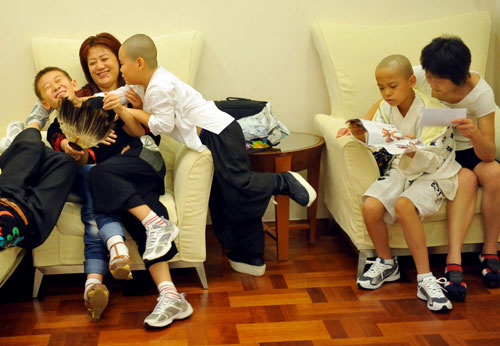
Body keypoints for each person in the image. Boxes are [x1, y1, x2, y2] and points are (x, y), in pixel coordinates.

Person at [101, 33, 317, 277]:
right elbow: (117, 94)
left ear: (139, 63)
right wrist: (82, 100)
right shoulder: (145, 84)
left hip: (220, 132)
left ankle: (283, 180)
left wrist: (133, 111)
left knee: (240, 183)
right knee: (227, 196)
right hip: (210, 136)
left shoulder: (159, 87)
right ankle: (245, 254)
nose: (120, 70)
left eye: (122, 63)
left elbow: (161, 124)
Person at [353, 55, 460, 312]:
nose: (386, 93)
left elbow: (434, 160)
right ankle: (387, 263)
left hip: (435, 172)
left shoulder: (435, 112)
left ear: (411, 81)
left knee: (403, 205)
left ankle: (426, 278)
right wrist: (362, 135)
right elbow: (380, 141)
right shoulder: (385, 108)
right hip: (403, 167)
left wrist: (412, 150)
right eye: (381, 88)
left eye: (392, 86)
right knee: (370, 206)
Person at [415, 36, 500, 300]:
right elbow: (385, 101)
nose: (431, 84)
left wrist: (473, 133)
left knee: (495, 174)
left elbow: (489, 153)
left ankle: (490, 251)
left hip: (470, 149)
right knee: (465, 181)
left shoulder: (481, 94)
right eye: (429, 77)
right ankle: (454, 259)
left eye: (438, 81)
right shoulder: (421, 75)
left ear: (459, 77)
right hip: (440, 151)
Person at [0, 129, 76, 251]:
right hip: (28, 219)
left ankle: (31, 152)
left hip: (9, 195)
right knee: (35, 139)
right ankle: (28, 152)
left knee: (65, 160)